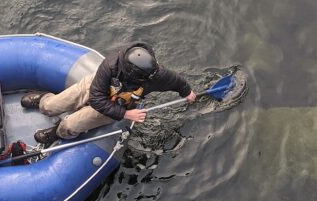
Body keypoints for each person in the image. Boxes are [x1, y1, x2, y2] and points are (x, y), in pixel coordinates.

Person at [21, 42, 197, 146]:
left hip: (117, 104)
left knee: (69, 126)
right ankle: (44, 99)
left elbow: (177, 82)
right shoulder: (110, 65)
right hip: (97, 90)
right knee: (49, 107)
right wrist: (127, 115)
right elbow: (96, 98)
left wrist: (188, 92)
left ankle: (56, 133)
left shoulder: (154, 73)